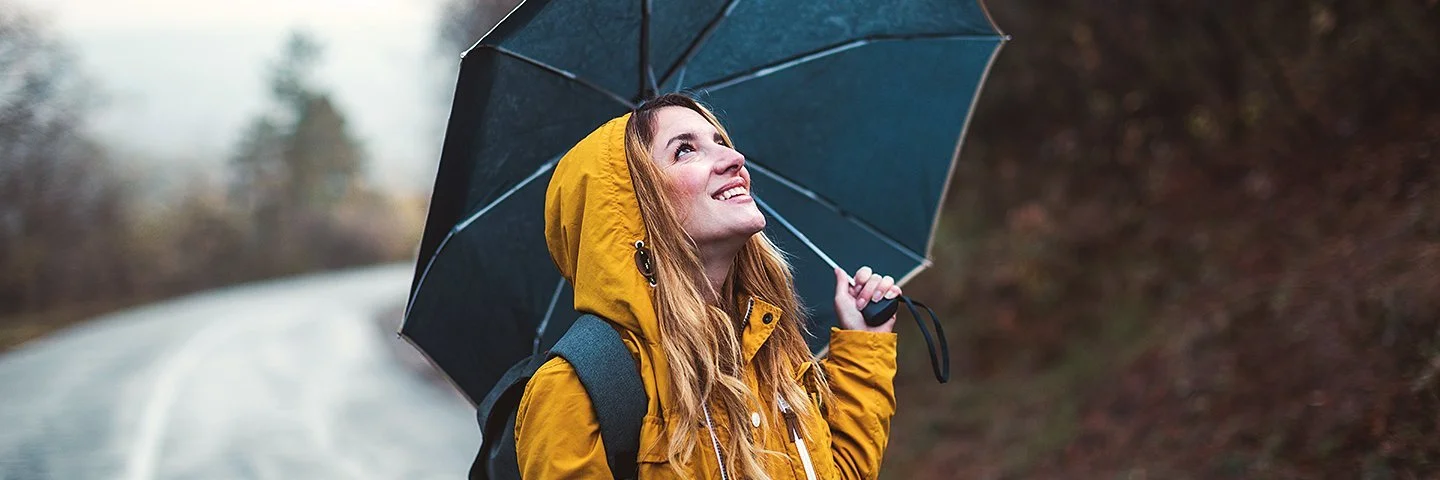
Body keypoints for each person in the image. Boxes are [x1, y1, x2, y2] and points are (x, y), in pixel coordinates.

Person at [519, 93, 901, 479]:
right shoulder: (575, 392)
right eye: (685, 150)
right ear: (631, 208)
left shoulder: (765, 350)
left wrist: (864, 348)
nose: (735, 158)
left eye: (720, 141)